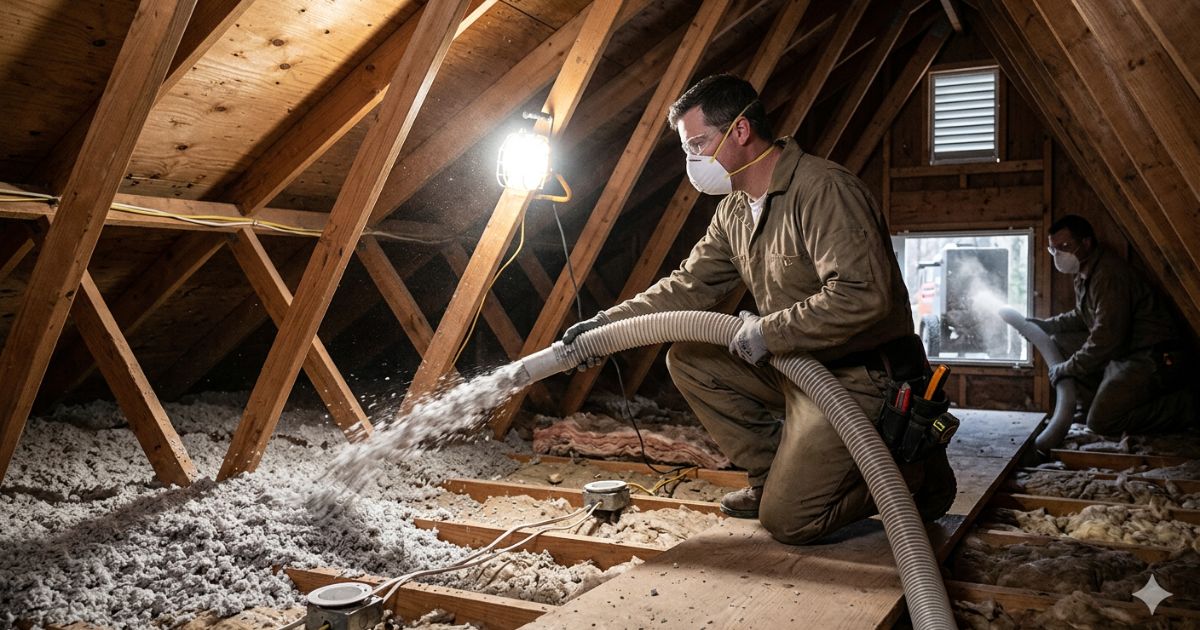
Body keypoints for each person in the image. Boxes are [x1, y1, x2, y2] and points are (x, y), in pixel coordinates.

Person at [560, 74, 956, 545]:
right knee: (690, 358)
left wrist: (769, 332)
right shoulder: (734, 210)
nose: (693, 160)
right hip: (795, 364)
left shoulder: (823, 189)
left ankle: (909, 476)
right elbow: (687, 289)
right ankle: (771, 476)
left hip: (859, 379)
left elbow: (862, 295)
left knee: (789, 522)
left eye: (699, 144)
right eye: (688, 149)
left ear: (741, 131)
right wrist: (606, 327)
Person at [1028, 215, 1194, 436]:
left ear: (1086, 243)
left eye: (1064, 246)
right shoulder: (1084, 272)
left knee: (1103, 422)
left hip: (1152, 357)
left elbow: (1106, 340)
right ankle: (1091, 406)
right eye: (1053, 249)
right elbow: (1082, 315)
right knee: (1059, 342)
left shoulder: (1108, 275)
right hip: (1125, 350)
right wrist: (1046, 326)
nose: (1058, 254)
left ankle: (1189, 406)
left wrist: (1067, 368)